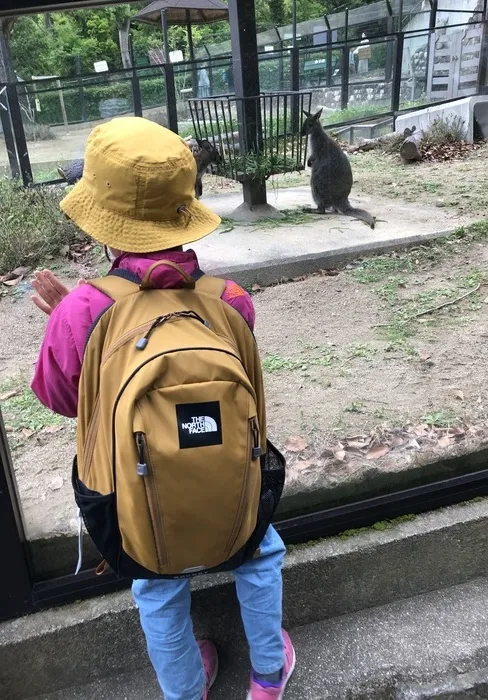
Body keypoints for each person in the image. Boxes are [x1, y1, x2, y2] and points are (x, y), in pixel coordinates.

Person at [30, 116, 295, 700]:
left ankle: (185, 690)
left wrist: (64, 320)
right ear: (186, 208)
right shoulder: (230, 301)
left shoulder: (82, 311)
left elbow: (63, 401)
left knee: (155, 587)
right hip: (230, 482)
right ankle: (268, 678)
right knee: (260, 553)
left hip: (134, 497)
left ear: (103, 222)